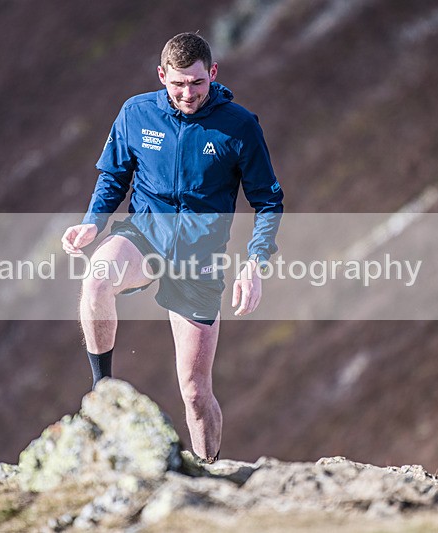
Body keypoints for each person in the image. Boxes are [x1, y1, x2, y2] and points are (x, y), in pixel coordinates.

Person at [61, 32, 283, 463]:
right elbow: (113, 177)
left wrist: (255, 263)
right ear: (162, 76)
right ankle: (102, 391)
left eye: (197, 83)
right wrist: (92, 224)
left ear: (213, 74)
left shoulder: (239, 126)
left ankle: (210, 472)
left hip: (200, 258)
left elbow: (269, 200)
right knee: (96, 278)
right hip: (143, 235)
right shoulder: (136, 113)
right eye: (177, 84)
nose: (187, 94)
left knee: (197, 395)